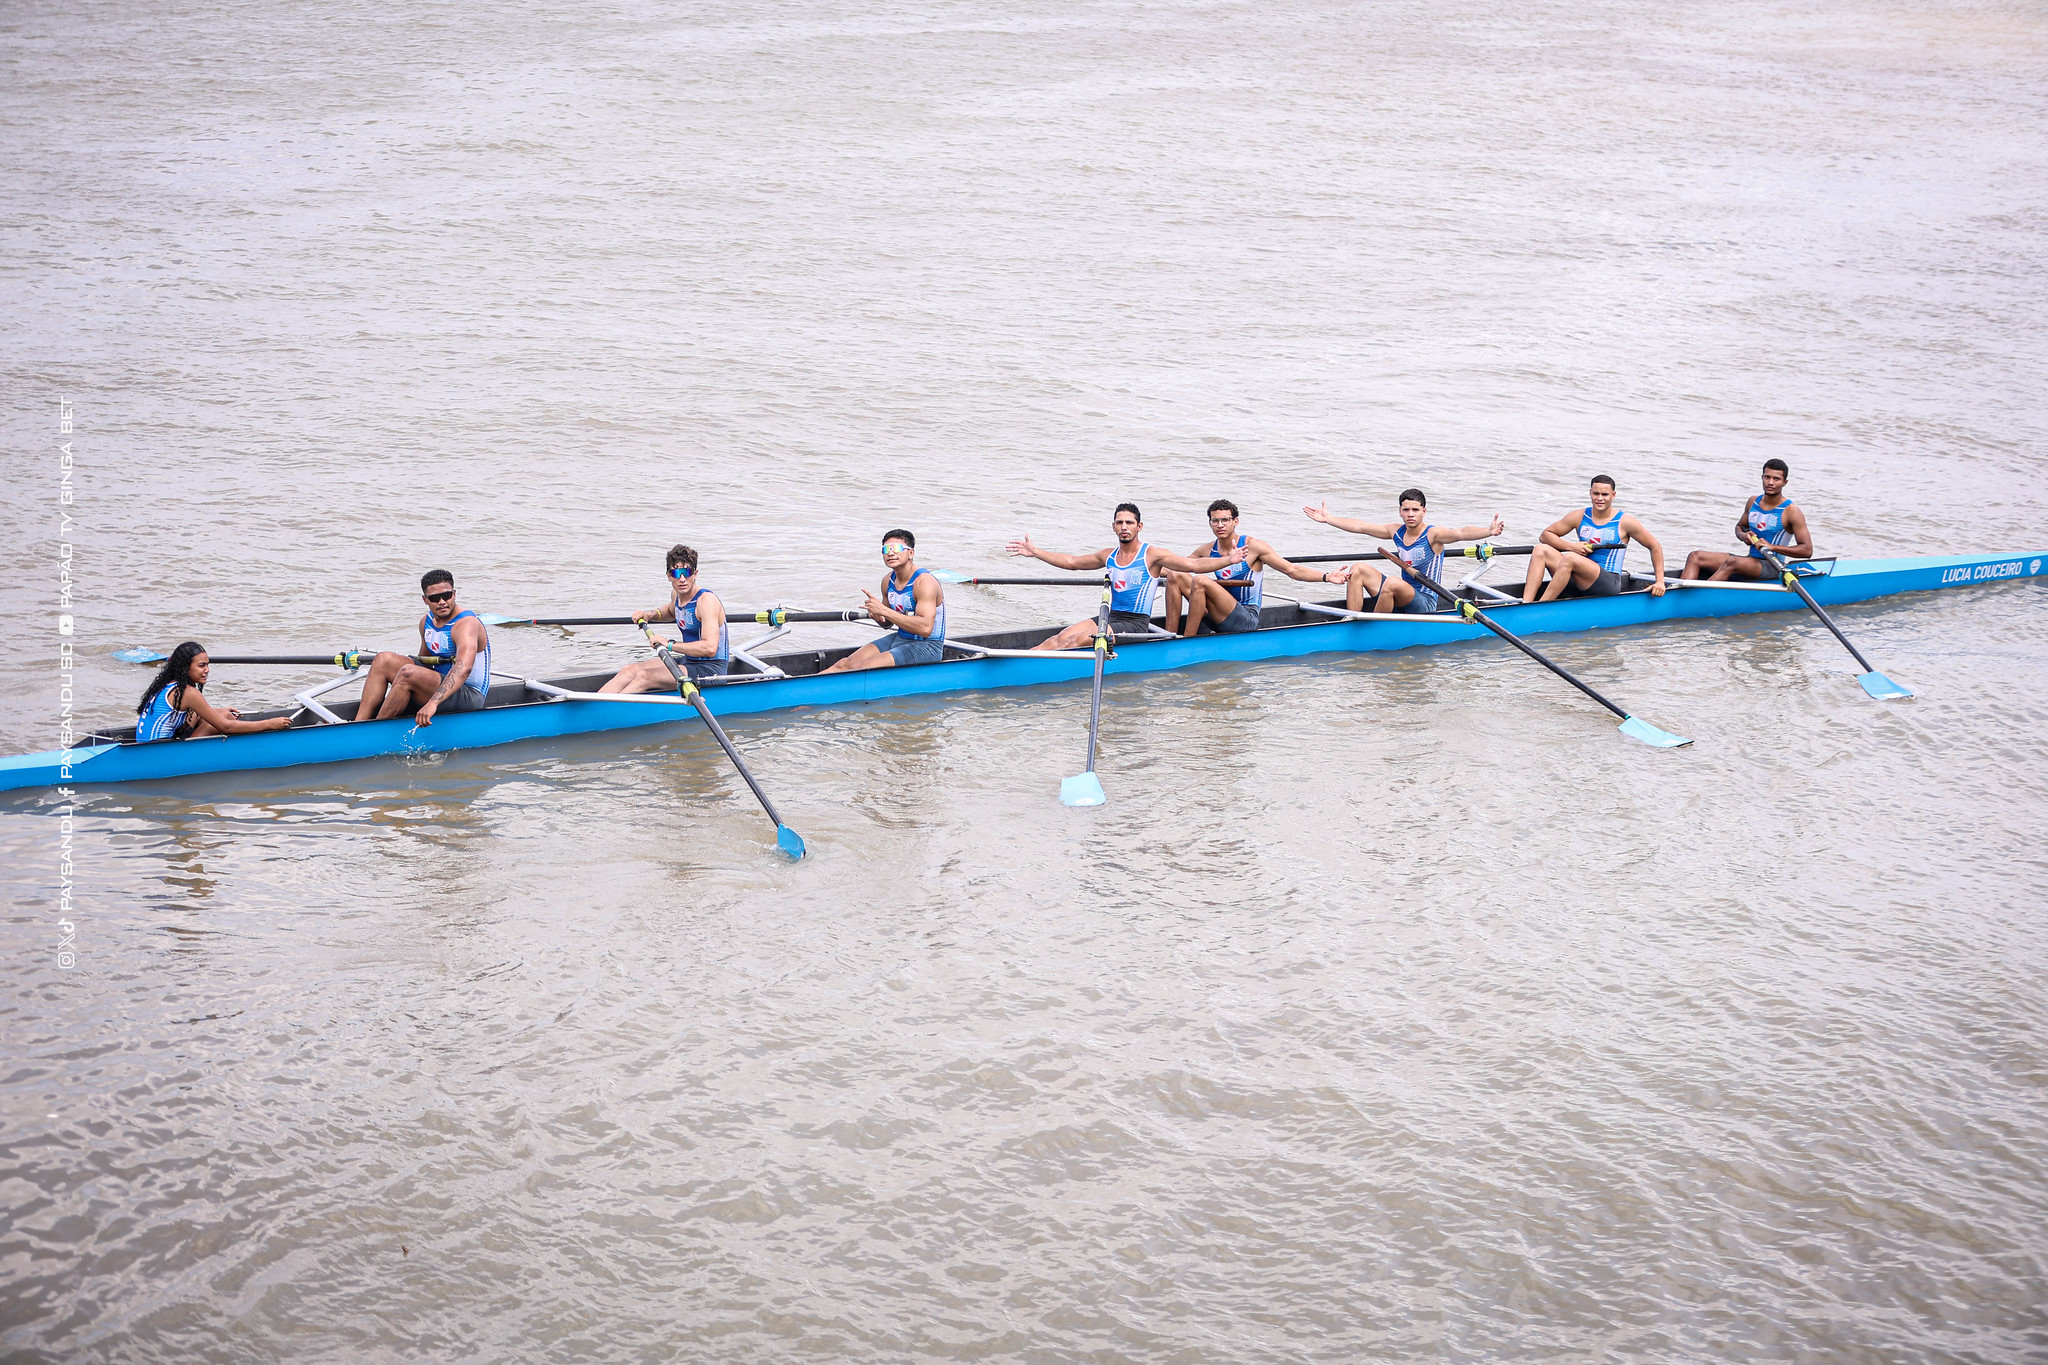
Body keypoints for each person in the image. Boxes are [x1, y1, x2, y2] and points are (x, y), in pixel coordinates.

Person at [1004, 503, 1259, 650]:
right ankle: (1021, 663)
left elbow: (1191, 563)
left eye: (1129, 522)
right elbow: (1071, 562)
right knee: (1059, 638)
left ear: (1139, 526)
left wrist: (1229, 559)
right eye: (1119, 522)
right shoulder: (1108, 555)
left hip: (1135, 623)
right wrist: (1036, 551)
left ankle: (1045, 671)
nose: (1124, 527)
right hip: (1110, 616)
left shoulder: (1153, 555)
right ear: (1114, 527)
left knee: (1078, 641)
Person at [1162, 499, 1355, 636]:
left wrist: (1326, 577)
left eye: (1225, 520)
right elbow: (1177, 566)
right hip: (1219, 613)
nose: (1220, 525)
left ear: (1235, 522)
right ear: (1210, 523)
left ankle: (1187, 641)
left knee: (1201, 580)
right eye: (1215, 521)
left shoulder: (1253, 547)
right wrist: (1147, 568)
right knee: (1175, 575)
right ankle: (1168, 637)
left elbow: (1292, 570)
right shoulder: (1207, 549)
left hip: (1246, 617)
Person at [1301, 490, 1504, 613]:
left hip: (1425, 602)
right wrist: (1329, 519)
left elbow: (1459, 532)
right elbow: (1360, 526)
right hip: (1400, 593)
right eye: (1406, 510)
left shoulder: (1433, 535)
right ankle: (1353, 620)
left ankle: (1377, 629)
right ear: (1400, 511)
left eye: (1415, 510)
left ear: (1424, 511)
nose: (1410, 515)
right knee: (1358, 569)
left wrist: (1488, 531)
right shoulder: (1395, 531)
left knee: (1391, 582)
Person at [354, 570, 493, 725]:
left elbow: (463, 668)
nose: (442, 602)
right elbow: (425, 663)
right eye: (434, 598)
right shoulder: (425, 622)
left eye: (446, 596)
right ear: (425, 600)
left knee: (408, 674)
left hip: (469, 695)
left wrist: (432, 703)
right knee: (383, 660)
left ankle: (374, 730)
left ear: (454, 594)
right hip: (440, 686)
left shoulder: (466, 624)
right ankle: (357, 724)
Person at [601, 544, 729, 692]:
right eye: (676, 573)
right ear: (669, 576)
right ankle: (592, 708)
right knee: (629, 670)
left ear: (695, 574)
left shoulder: (706, 601)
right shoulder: (677, 596)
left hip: (711, 671)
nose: (682, 579)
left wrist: (669, 645)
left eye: (687, 572)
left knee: (644, 676)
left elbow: (710, 648)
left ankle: (608, 712)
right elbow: (670, 611)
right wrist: (649, 615)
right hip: (689, 661)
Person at [1523, 475, 1668, 602]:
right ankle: (1525, 604)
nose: (1599, 498)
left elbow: (1654, 546)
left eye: (1605, 494)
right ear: (1590, 493)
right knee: (1540, 550)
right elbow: (1545, 535)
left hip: (1608, 584)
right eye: (1596, 493)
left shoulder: (1625, 522)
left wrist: (1660, 581)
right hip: (1579, 579)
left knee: (1570, 558)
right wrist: (1571, 546)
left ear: (1613, 495)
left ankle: (1541, 606)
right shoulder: (1579, 516)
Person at [823, 529, 947, 671]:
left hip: (928, 646)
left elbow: (925, 628)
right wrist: (879, 617)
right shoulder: (887, 581)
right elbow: (887, 624)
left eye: (896, 548)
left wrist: (884, 610)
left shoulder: (924, 582)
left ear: (911, 553)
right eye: (886, 549)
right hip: (901, 638)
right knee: (844, 664)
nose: (890, 553)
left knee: (859, 668)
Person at [1682, 458, 1813, 581]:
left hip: (1773, 565)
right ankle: (1679, 596)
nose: (1770, 482)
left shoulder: (1791, 511)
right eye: (1767, 477)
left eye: (1776, 479)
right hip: (1751, 560)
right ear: (1762, 478)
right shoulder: (1753, 502)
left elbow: (1807, 550)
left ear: (1785, 482)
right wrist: (1743, 535)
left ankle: (1700, 598)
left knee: (1732, 562)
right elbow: (1740, 526)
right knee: (1695, 556)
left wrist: (1771, 547)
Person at [135, 643, 293, 742]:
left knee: (221, 714)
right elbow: (226, 727)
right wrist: (270, 724)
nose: (207, 670)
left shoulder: (168, 685)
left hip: (153, 745)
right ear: (185, 668)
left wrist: (218, 712)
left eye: (207, 665)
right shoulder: (188, 692)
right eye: (201, 666)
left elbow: (200, 713)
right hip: (159, 753)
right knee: (225, 720)